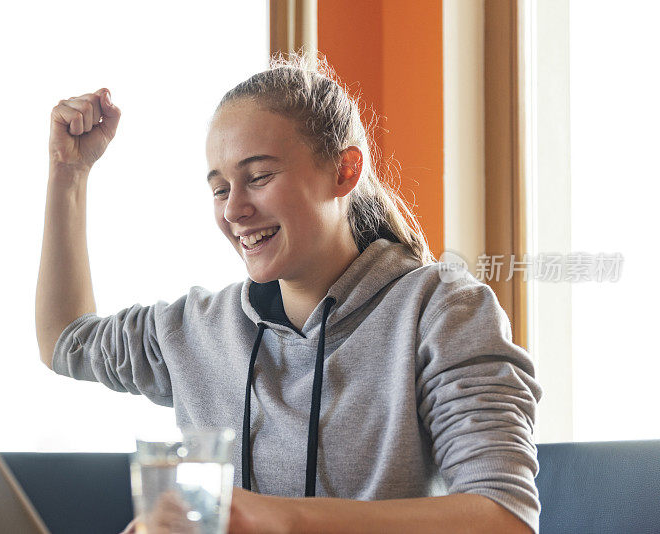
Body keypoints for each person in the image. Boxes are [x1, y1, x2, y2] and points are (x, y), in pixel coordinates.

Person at [36, 52, 542, 534]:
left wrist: (282, 520)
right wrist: (68, 173)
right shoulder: (196, 331)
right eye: (219, 188)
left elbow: (504, 517)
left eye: (258, 177)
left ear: (344, 172)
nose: (234, 210)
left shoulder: (441, 310)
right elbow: (64, 338)